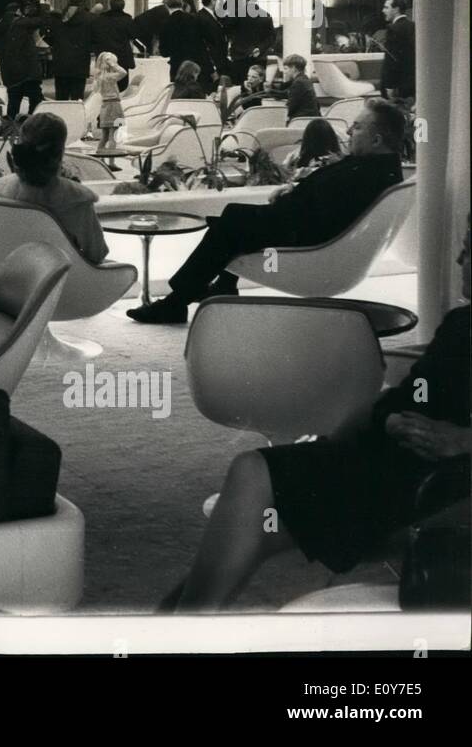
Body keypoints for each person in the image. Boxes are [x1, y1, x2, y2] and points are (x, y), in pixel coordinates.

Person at [166, 229, 470, 612]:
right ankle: (176, 627)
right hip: (396, 458)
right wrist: (390, 418)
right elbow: (412, 393)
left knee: (251, 522)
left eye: (468, 251)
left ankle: (174, 631)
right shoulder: (461, 324)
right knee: (252, 481)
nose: (459, 262)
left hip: (446, 484)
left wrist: (462, 441)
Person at [128, 98, 407, 324]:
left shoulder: (369, 173)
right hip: (305, 225)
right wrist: (291, 192)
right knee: (232, 219)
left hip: (307, 235)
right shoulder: (376, 167)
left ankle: (177, 302)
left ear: (376, 140)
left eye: (357, 127)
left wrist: (288, 199)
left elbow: (324, 207)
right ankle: (217, 287)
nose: (348, 132)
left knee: (230, 221)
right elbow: (326, 197)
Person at [0, 112, 109, 264]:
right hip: (68, 282)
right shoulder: (77, 200)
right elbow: (97, 253)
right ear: (60, 151)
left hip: (12, 279)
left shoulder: (2, 190)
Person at [0, 1, 45, 119]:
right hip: (28, 73)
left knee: (13, 104)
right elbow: (43, 20)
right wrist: (42, 3)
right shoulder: (20, 23)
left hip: (9, 73)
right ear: (18, 11)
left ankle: (11, 130)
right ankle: (30, 125)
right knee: (36, 100)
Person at [49, 0, 93, 102]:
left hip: (60, 61)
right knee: (77, 99)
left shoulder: (57, 17)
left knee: (60, 99)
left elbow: (46, 34)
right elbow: (94, 38)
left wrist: (55, 45)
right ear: (83, 0)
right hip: (80, 62)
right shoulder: (89, 18)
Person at [159, 0, 210, 82]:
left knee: (179, 93)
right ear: (182, 3)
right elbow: (202, 44)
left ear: (166, 5)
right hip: (195, 65)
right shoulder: (194, 19)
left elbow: (164, 52)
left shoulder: (165, 24)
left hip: (177, 66)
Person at [92, 0, 136, 91]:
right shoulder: (127, 19)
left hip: (105, 58)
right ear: (123, 6)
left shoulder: (101, 19)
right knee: (122, 86)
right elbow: (133, 35)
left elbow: (95, 35)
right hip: (122, 57)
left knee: (105, 87)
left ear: (110, 5)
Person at [380, 0, 415, 103]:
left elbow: (392, 60)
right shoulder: (413, 26)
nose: (383, 11)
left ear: (396, 9)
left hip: (396, 85)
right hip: (410, 82)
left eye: (386, 7)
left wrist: (390, 86)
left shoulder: (393, 29)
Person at [91, 51, 127, 154]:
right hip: (114, 105)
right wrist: (112, 63)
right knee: (113, 135)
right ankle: (112, 160)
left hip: (105, 106)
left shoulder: (99, 77)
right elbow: (123, 72)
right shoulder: (110, 77)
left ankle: (101, 155)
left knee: (105, 136)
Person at [197, 0, 230, 83]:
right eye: (217, 0)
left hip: (217, 59)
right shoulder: (203, 17)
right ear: (212, 1)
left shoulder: (210, 15)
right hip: (212, 61)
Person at [280, 53, 317, 121]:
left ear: (294, 68)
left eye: (286, 69)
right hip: (310, 119)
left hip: (300, 121)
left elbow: (290, 108)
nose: (284, 72)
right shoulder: (305, 80)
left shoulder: (298, 83)